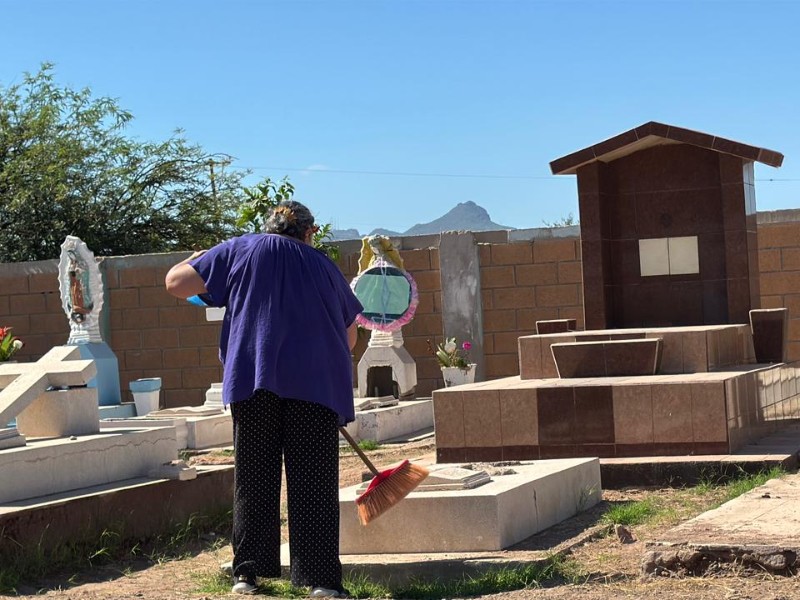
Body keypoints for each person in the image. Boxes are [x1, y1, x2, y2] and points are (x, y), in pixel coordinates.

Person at [165, 200, 362, 596]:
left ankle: (247, 576)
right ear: (309, 232)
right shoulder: (323, 266)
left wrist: (201, 257)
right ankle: (320, 582)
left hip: (255, 381)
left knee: (254, 477)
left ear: (267, 227)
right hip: (314, 387)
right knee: (314, 482)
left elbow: (175, 283)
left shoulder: (241, 248)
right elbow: (350, 336)